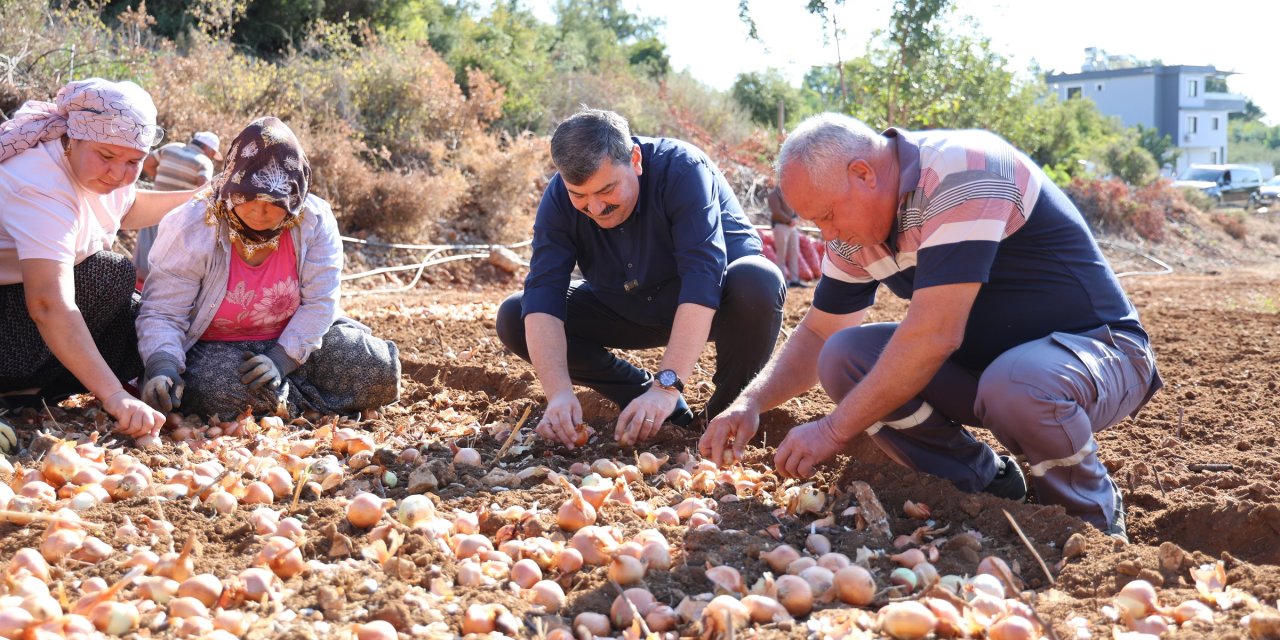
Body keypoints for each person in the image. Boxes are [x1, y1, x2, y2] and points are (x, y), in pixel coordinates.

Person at [699, 113, 1162, 540]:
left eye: (827, 216)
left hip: (1099, 353)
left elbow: (935, 335)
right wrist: (751, 403)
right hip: (991, 371)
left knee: (1016, 384)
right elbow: (820, 333)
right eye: (817, 224)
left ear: (863, 173)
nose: (829, 236)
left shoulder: (964, 171)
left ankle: (1089, 518)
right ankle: (984, 484)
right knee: (844, 357)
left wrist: (832, 431)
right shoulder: (855, 231)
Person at [496, 108, 786, 449]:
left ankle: (725, 414)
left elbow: (702, 277)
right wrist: (558, 393)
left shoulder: (683, 170)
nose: (595, 208)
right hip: (626, 305)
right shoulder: (558, 198)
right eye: (580, 195)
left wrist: (666, 384)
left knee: (758, 281)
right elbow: (545, 290)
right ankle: (648, 400)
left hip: (716, 302)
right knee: (517, 314)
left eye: (606, 190)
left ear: (634, 159)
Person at [136, 117, 401, 418]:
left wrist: (280, 360)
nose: (260, 212)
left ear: (294, 197)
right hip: (217, 349)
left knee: (375, 369)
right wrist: (163, 366)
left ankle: (283, 398)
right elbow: (163, 311)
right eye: (248, 198)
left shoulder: (313, 220)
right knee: (219, 389)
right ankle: (307, 403)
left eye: (274, 203)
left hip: (296, 342)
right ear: (231, 187)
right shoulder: (194, 224)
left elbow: (320, 303)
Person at [0, 78, 198, 438]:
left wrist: (199, 197)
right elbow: (47, 303)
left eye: (133, 161)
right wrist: (114, 396)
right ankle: (15, 386)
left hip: (18, 314)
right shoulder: (39, 183)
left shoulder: (98, 174)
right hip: (12, 315)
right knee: (108, 273)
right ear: (73, 138)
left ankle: (32, 388)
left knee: (141, 319)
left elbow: (128, 206)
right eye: (106, 156)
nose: (118, 174)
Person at [134, 131, 223, 283]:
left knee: (141, 259)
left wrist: (159, 178)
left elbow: (147, 163)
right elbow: (204, 191)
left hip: (152, 209)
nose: (211, 158)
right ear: (210, 149)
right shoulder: (204, 162)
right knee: (161, 263)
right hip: (177, 218)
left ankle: (131, 290)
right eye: (213, 154)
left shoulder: (170, 148)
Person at [768, 183, 806, 288]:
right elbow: (776, 212)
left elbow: (795, 207)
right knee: (781, 255)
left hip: (791, 227)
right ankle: (782, 281)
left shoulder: (789, 193)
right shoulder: (774, 194)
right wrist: (789, 220)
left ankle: (794, 279)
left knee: (794, 252)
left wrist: (795, 218)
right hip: (780, 226)